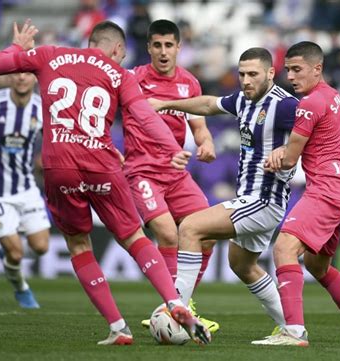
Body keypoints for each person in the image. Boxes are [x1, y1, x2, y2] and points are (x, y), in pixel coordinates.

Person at [0, 19, 210, 346]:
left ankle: (118, 327)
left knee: (78, 245)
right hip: (102, 164)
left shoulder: (49, 54)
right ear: (118, 49)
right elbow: (145, 116)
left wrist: (19, 47)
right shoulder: (118, 73)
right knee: (133, 237)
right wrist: (173, 148)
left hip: (59, 166)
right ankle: (174, 302)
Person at [149, 47, 299, 339]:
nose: (245, 80)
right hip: (253, 198)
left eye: (253, 74)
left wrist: (287, 150)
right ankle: (292, 326)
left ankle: (177, 309)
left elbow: (312, 132)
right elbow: (208, 104)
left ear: (270, 73)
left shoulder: (285, 105)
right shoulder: (243, 99)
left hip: (263, 198)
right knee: (242, 265)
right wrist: (165, 104)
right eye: (242, 74)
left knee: (190, 227)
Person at [254, 41, 340, 346]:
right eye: (288, 69)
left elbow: (289, 159)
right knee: (317, 265)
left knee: (284, 248)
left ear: (317, 68)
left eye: (297, 69)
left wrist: (276, 156)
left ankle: (294, 331)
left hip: (325, 190)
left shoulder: (310, 103)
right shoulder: (333, 96)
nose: (291, 76)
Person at [123, 19, 218, 332]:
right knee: (168, 234)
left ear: (179, 47)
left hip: (176, 173)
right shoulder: (132, 79)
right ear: (149, 47)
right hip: (142, 172)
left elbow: (200, 129)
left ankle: (181, 302)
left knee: (209, 233)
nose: (163, 52)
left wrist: (206, 146)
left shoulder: (189, 83)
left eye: (169, 45)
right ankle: (171, 305)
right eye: (157, 45)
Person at [0, 72, 50, 309]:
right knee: (16, 253)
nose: (22, 78)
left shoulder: (41, 108)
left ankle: (8, 252)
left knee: (42, 247)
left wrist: (44, 158)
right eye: (17, 74)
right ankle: (21, 288)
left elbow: (53, 141)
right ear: (9, 78)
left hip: (25, 187)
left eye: (27, 73)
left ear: (35, 78)